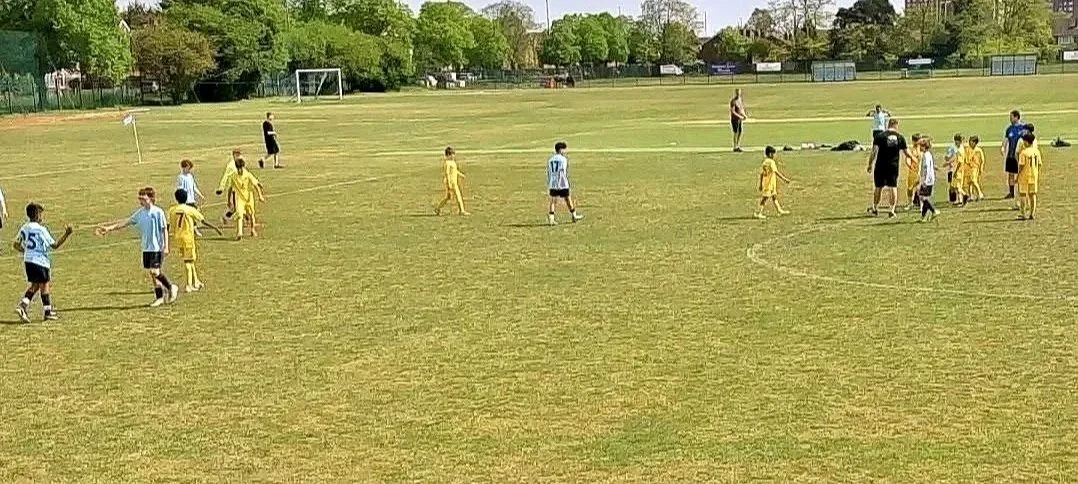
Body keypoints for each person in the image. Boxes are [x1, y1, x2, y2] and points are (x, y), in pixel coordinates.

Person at [95, 187, 179, 307]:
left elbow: (164, 229)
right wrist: (109, 228)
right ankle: (159, 297)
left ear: (150, 198)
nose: (141, 201)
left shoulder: (158, 212)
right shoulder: (140, 213)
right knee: (153, 275)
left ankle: (171, 287)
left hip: (156, 247)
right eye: (139, 199)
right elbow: (126, 222)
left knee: (154, 271)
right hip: (146, 247)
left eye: (143, 199)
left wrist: (166, 246)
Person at [13, 203, 73, 322]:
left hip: (28, 261)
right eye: (41, 214)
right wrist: (67, 234)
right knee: (44, 284)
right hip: (40, 261)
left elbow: (16, 245)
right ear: (37, 215)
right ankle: (47, 312)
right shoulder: (41, 229)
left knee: (35, 285)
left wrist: (27, 251)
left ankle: (23, 307)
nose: (42, 216)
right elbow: (54, 245)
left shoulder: (25, 227)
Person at [168, 188, 222, 292]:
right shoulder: (189, 209)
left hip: (177, 237)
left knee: (190, 260)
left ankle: (196, 281)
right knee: (188, 261)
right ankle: (189, 285)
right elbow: (203, 220)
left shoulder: (172, 210)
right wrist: (215, 228)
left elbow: (168, 225)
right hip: (187, 237)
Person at [866, 118, 915, 218]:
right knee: (893, 186)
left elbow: (874, 152)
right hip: (893, 166)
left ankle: (875, 208)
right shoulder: (900, 137)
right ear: (896, 125)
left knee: (878, 187)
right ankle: (892, 209)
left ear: (888, 125)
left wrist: (870, 164)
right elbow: (907, 152)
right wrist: (914, 160)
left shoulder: (880, 136)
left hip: (880, 165)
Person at [228, 158, 266, 239]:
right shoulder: (233, 176)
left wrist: (260, 196)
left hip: (248, 198)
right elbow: (230, 189)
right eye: (238, 169)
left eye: (241, 168)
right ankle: (239, 233)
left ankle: (252, 229)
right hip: (239, 198)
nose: (240, 170)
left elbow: (255, 185)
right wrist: (229, 200)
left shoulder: (247, 175)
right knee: (239, 215)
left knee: (251, 214)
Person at [547, 141, 583, 226]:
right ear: (561, 150)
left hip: (553, 182)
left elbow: (549, 171)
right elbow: (563, 170)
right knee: (568, 199)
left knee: (553, 200)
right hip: (562, 182)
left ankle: (551, 219)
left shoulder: (551, 159)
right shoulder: (563, 159)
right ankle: (574, 215)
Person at [754, 146, 792, 219]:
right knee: (765, 198)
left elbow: (762, 174)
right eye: (774, 154)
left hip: (768, 183)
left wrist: (760, 184)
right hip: (769, 183)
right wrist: (785, 179)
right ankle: (759, 212)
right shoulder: (771, 162)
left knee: (774, 196)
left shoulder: (765, 162)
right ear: (771, 154)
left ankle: (779, 210)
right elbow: (776, 172)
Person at [435, 147, 469, 216]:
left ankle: (438, 208)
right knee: (458, 196)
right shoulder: (447, 163)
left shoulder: (453, 162)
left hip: (454, 182)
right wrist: (449, 183)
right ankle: (461, 210)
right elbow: (447, 173)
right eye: (452, 154)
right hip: (451, 183)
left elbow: (455, 171)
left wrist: (461, 174)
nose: (454, 156)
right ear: (448, 155)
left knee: (448, 197)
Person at [176, 159, 206, 236]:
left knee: (193, 214)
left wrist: (200, 195)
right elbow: (180, 189)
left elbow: (194, 187)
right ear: (183, 167)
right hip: (186, 200)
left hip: (191, 199)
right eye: (188, 168)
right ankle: (194, 230)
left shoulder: (190, 176)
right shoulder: (181, 177)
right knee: (192, 215)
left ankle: (192, 229)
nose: (189, 170)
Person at [1017, 132, 1042, 220]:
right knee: (1033, 195)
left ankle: (1023, 214)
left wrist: (1017, 176)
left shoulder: (1024, 153)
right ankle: (1032, 213)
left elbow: (1021, 165)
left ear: (1027, 142)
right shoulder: (1037, 151)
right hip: (1034, 175)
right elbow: (1039, 164)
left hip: (1024, 176)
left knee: (1023, 195)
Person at [1001, 110, 1026, 199]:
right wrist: (1003, 147)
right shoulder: (1009, 129)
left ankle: (1021, 191)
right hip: (1011, 155)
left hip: (1020, 156)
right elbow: (1006, 139)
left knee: (1021, 173)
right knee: (1011, 174)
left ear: (1016, 117)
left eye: (1011, 117)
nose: (1010, 119)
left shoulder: (1023, 128)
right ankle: (1011, 193)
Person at [916, 137, 940, 222]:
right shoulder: (929, 154)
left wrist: (924, 181)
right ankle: (923, 217)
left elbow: (926, 169)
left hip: (927, 180)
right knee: (924, 197)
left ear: (923, 147)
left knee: (923, 197)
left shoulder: (925, 156)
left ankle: (934, 211)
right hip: (930, 179)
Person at [216, 150, 242, 225]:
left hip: (241, 188)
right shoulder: (230, 166)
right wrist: (221, 187)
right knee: (238, 207)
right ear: (233, 155)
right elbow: (225, 176)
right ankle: (225, 217)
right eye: (237, 155)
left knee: (239, 207)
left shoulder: (240, 163)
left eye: (239, 155)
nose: (238, 157)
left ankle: (225, 217)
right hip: (235, 188)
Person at [945, 134, 968, 206]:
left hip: (957, 170)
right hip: (960, 170)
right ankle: (960, 200)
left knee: (957, 186)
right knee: (956, 185)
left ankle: (964, 195)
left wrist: (956, 171)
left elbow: (960, 162)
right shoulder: (961, 148)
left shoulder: (960, 151)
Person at [904, 133, 923, 211]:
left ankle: (921, 205)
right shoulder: (911, 150)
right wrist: (910, 166)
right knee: (910, 188)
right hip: (912, 172)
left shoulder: (922, 149)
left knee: (919, 189)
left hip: (921, 171)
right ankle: (910, 203)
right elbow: (907, 159)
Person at [965, 136, 986, 201]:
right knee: (969, 182)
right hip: (968, 167)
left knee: (974, 180)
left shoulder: (978, 150)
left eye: (971, 141)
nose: (969, 143)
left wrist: (981, 168)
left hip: (975, 167)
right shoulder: (968, 149)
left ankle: (980, 193)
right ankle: (971, 195)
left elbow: (982, 159)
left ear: (974, 142)